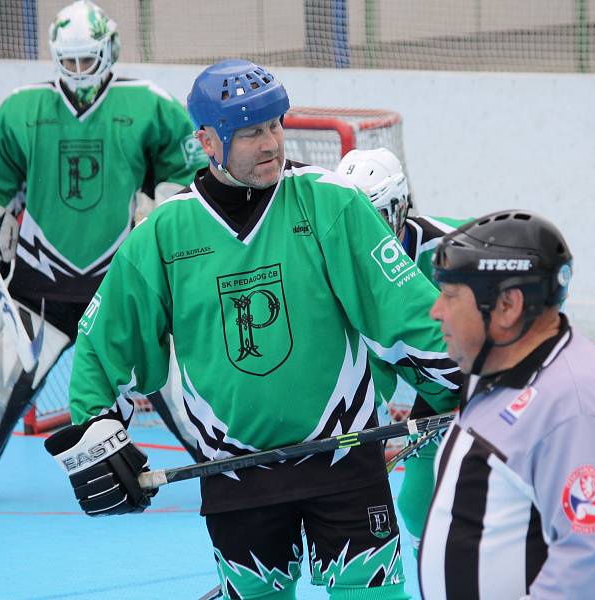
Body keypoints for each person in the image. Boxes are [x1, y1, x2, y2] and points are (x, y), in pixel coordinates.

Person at [44, 58, 461, 600]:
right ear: (209, 142)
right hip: (236, 472)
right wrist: (95, 431)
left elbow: (409, 311)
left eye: (274, 126)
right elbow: (106, 343)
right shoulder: (163, 236)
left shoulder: (329, 204)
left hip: (344, 458)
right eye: (248, 133)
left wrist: (476, 375)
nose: (270, 144)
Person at [0, 0, 207, 507]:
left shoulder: (151, 105)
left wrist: (163, 214)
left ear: (111, 50)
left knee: (191, 383)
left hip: (126, 295)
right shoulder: (20, 110)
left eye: (89, 59)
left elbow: (189, 177)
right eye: (71, 60)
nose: (80, 72)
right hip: (37, 291)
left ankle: (231, 455)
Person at [419, 210, 595, 599]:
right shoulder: (492, 370)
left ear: (507, 306)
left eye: (450, 295)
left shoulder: (578, 404)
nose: (436, 310)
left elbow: (586, 564)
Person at [336, 147, 468, 555]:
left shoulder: (457, 248)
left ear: (398, 208)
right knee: (416, 505)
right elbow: (372, 373)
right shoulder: (340, 266)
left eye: (371, 218)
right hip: (434, 391)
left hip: (476, 381)